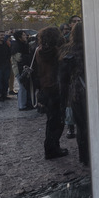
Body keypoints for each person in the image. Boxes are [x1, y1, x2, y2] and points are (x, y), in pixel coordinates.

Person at [35, 27, 68, 160]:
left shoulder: (38, 50)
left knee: (51, 120)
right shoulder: (58, 51)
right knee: (58, 120)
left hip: (45, 88)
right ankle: (53, 148)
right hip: (57, 87)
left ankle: (51, 147)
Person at [59, 22, 89, 165]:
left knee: (81, 126)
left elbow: (63, 77)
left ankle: (84, 157)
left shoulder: (67, 49)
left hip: (76, 91)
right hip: (89, 90)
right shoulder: (91, 49)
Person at [11, 30, 33, 111]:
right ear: (19, 37)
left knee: (25, 87)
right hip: (19, 69)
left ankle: (26, 103)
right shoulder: (16, 45)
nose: (25, 36)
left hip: (24, 68)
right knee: (22, 87)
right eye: (23, 35)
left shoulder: (24, 44)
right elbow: (19, 58)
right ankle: (22, 105)